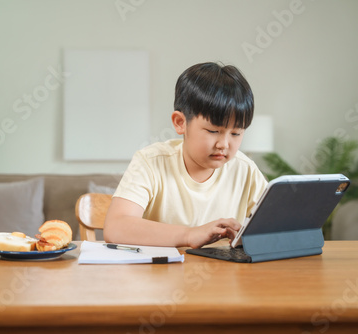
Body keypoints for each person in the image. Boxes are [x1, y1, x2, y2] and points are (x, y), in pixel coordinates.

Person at [104, 62, 268, 249]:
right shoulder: (151, 162)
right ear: (180, 122)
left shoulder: (245, 170)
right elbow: (116, 227)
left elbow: (276, 228)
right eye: (213, 131)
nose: (224, 144)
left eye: (236, 133)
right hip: (160, 275)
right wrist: (190, 234)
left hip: (223, 275)